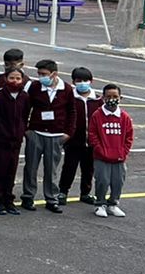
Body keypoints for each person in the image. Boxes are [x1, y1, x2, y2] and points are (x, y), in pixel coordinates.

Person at [23, 59, 74, 214]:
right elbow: (25, 108)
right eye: (39, 74)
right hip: (36, 133)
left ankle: (51, 199)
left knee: (51, 169)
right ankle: (28, 196)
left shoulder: (65, 89)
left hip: (56, 135)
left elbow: (72, 112)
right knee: (31, 167)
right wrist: (27, 130)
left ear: (54, 74)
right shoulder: (34, 87)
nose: (41, 77)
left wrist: (68, 133)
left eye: (44, 74)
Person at [0, 69, 31, 216]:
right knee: (0, 171)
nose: (15, 81)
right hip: (1, 140)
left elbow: (25, 115)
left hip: (16, 141)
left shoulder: (24, 97)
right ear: (6, 78)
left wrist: (22, 131)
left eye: (18, 78)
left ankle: (9, 200)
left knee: (11, 171)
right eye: (12, 78)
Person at [89, 84, 133, 218]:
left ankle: (113, 203)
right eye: (108, 97)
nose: (112, 99)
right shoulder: (97, 115)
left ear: (120, 98)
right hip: (102, 157)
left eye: (115, 97)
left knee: (118, 181)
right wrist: (100, 150)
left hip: (119, 157)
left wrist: (123, 152)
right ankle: (100, 204)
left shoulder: (124, 117)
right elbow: (92, 135)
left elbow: (129, 137)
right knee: (102, 180)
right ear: (103, 98)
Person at [60, 67, 101, 207]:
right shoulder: (69, 98)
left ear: (91, 81)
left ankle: (85, 193)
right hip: (73, 141)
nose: (82, 83)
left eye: (85, 80)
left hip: (91, 143)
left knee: (88, 169)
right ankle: (63, 192)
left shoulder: (97, 100)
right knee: (69, 167)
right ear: (73, 82)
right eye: (79, 81)